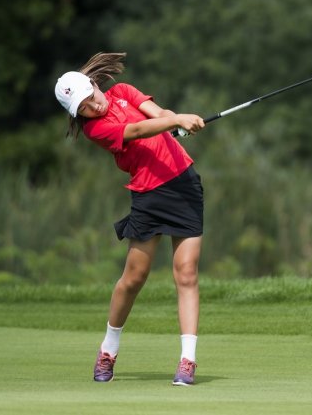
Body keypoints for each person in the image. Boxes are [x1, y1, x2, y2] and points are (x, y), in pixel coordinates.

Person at [54, 52, 205, 386]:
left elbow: (158, 114)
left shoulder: (122, 91)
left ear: (94, 84)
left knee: (187, 273)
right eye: (83, 109)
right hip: (148, 194)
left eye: (90, 98)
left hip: (184, 184)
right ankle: (109, 348)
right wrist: (176, 120)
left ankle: (187, 360)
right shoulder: (97, 129)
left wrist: (175, 119)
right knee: (135, 277)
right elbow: (137, 129)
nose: (92, 107)